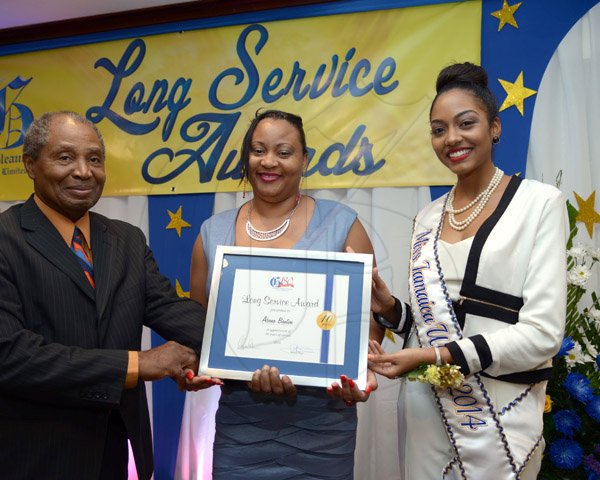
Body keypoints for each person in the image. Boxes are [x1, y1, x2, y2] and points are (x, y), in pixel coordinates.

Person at [367, 63, 567, 479]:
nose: (451, 138)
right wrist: (391, 311)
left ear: (494, 127)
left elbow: (543, 334)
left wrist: (438, 355)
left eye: (466, 123)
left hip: (502, 414)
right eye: (438, 129)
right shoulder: (427, 218)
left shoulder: (539, 203)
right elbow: (434, 324)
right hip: (428, 412)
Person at [0, 111, 212, 480]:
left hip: (114, 451)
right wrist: (137, 364)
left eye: (95, 159)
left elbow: (169, 309)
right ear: (30, 164)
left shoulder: (127, 240)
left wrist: (261, 341)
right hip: (32, 455)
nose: (84, 171)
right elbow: (11, 355)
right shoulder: (6, 239)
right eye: (65, 157)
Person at [179, 109, 376, 479]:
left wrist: (361, 369)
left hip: (323, 428)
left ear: (304, 160)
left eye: (283, 152)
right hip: (241, 428)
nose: (269, 162)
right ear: (245, 158)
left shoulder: (342, 223)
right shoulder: (213, 232)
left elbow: (369, 321)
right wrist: (189, 366)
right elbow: (197, 325)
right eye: (258, 150)